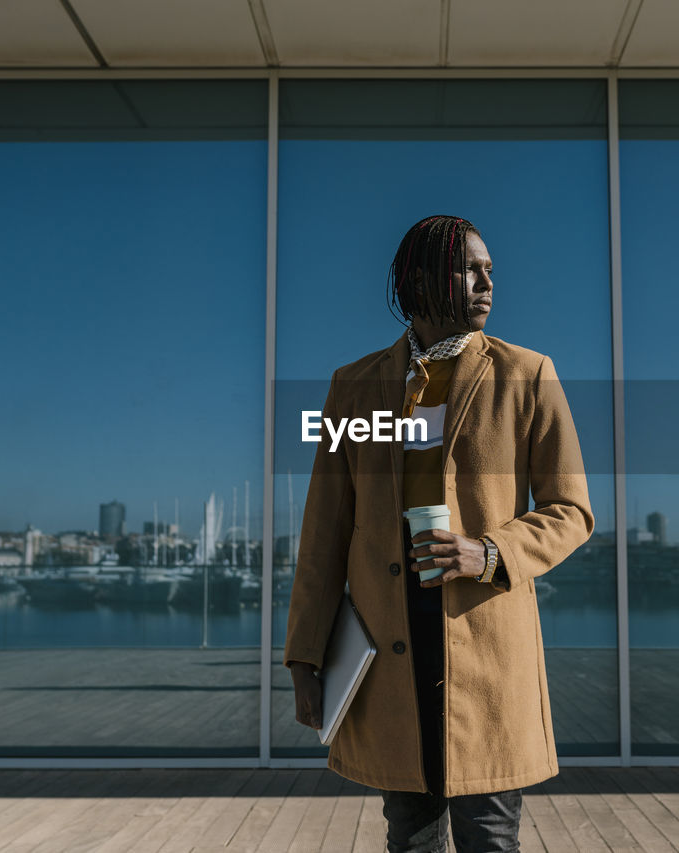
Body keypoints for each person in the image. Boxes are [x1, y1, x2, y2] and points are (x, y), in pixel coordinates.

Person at [283, 214, 593, 853]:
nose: (487, 284)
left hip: (486, 643)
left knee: (489, 836)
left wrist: (489, 551)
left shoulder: (528, 375)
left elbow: (571, 511)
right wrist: (305, 656)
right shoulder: (355, 387)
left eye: (490, 272)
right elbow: (324, 535)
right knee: (412, 838)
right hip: (386, 647)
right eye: (471, 269)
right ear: (423, 281)